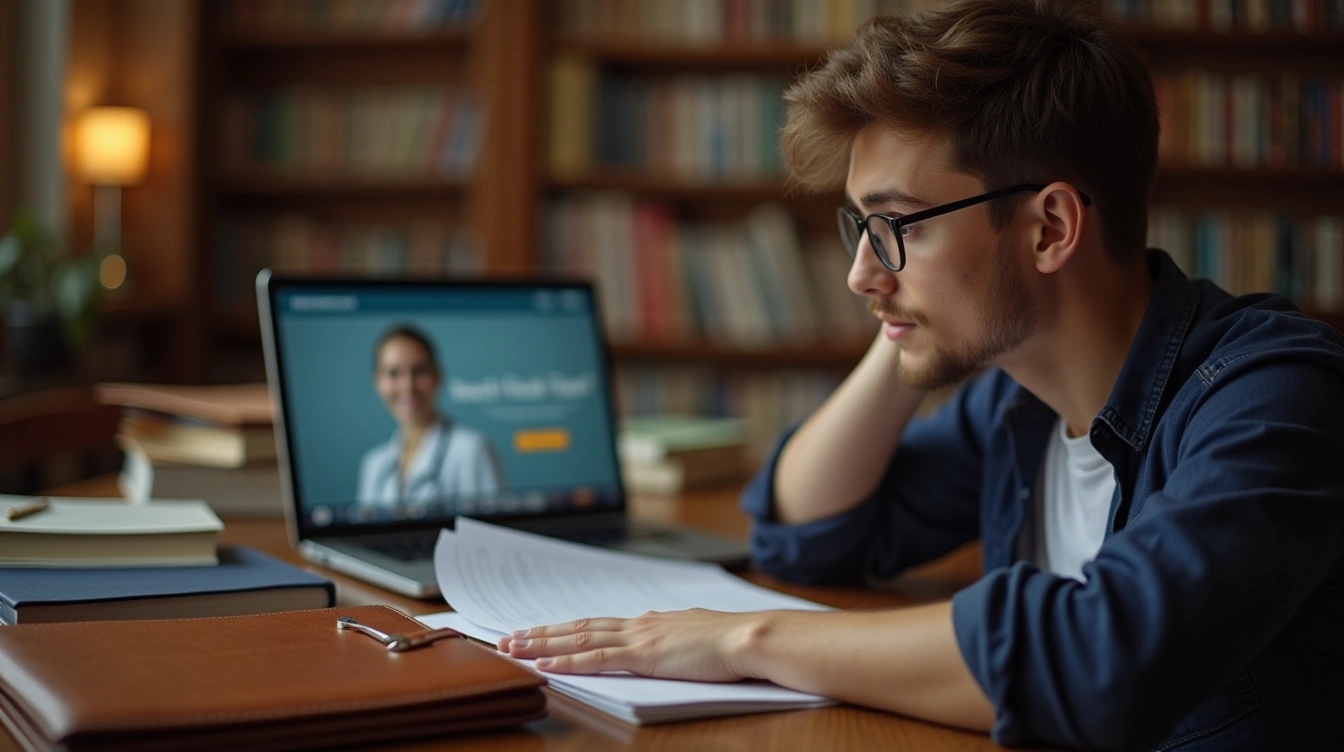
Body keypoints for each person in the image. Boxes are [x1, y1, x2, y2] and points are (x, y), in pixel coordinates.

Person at [496, 2, 1344, 749]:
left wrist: (744, 642)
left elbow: (1101, 656)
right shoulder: (1020, 402)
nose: (860, 272)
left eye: (897, 225)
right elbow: (808, 531)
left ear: (1050, 228)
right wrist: (905, 324)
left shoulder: (1274, 397)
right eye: (859, 228)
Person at [357, 324, 503, 512]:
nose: (408, 386)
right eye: (394, 373)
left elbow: (492, 532)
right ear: (377, 382)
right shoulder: (373, 465)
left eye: (419, 371)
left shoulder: (472, 449)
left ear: (438, 376)